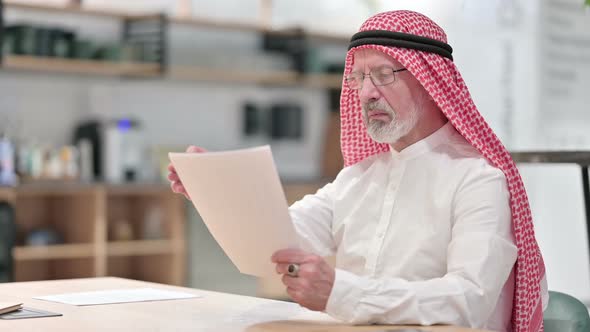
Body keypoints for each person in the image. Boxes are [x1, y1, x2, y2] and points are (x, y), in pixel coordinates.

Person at [168, 10, 548, 332]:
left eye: (383, 74)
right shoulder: (359, 176)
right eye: (358, 78)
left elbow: (468, 299)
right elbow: (282, 239)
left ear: (431, 81)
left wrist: (341, 292)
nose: (365, 93)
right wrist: (215, 191)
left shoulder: (478, 180)